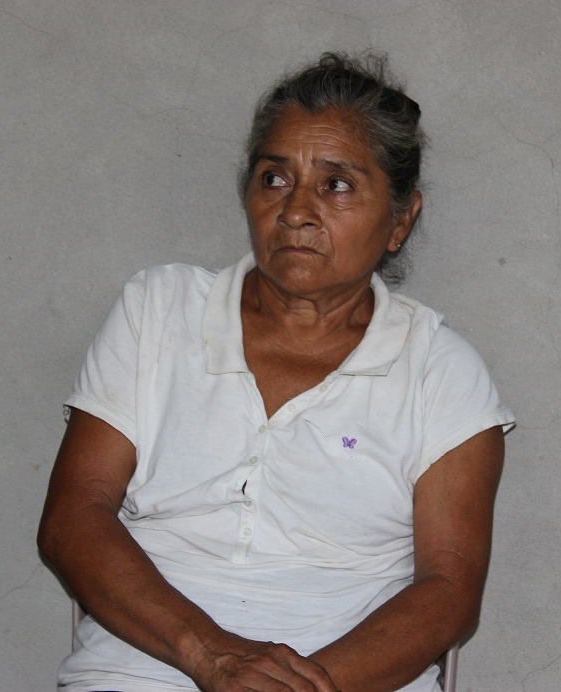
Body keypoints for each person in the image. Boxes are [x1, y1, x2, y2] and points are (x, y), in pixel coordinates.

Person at [38, 51, 515, 692]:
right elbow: (74, 516)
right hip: (145, 669)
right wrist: (214, 659)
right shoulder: (158, 311)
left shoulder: (441, 372)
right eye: (274, 178)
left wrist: (293, 689)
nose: (295, 210)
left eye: (337, 185)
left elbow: (449, 590)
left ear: (400, 220)